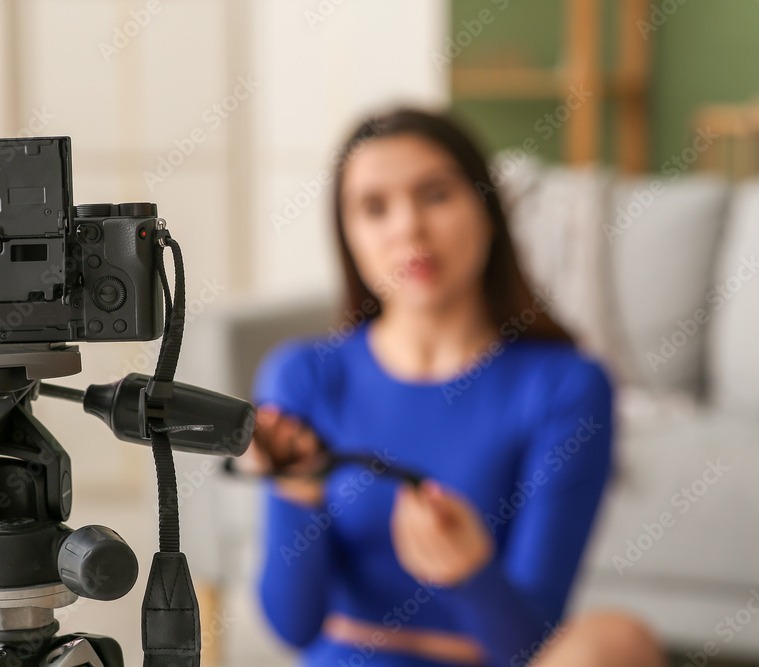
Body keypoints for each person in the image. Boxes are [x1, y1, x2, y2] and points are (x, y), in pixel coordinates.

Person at [246, 109, 665, 667]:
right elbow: (293, 627)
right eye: (374, 208)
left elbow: (526, 647)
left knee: (619, 639)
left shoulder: (567, 386)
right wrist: (295, 494)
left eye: (435, 195)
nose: (409, 229)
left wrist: (471, 574)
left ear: (488, 211)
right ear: (348, 238)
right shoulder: (303, 375)